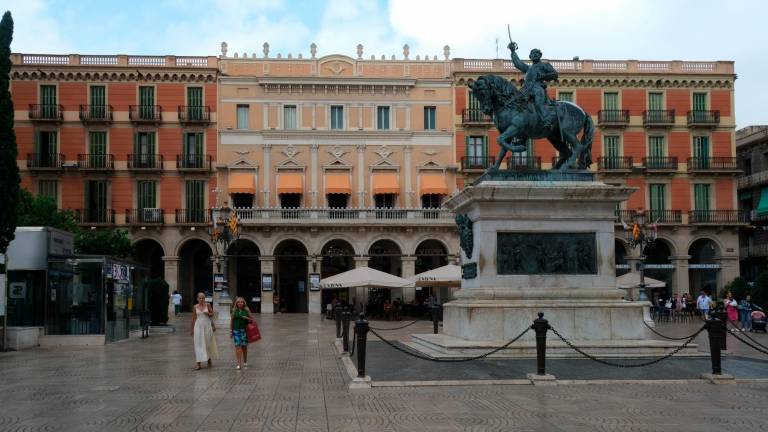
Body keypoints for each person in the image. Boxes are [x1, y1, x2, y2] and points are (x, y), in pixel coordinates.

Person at [508, 41, 558, 128]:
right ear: (530, 57)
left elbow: (555, 75)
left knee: (538, 102)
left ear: (540, 55)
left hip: (538, 88)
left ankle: (547, 119)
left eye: (537, 53)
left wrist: (543, 75)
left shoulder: (544, 65)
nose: (534, 55)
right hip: (526, 89)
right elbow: (518, 63)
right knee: (514, 101)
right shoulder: (528, 68)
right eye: (532, 54)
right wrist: (513, 52)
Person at [190, 292, 218, 370]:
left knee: (207, 344)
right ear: (197, 299)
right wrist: (192, 330)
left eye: (203, 298)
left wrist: (208, 313)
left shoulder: (208, 305)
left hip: (207, 326)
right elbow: (194, 318)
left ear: (205, 298)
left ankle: (208, 359)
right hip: (198, 327)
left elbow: (213, 314)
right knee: (198, 344)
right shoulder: (195, 307)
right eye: (200, 298)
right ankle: (198, 364)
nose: (201, 299)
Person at [230, 296, 253, 370]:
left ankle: (245, 361)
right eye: (239, 302)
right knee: (238, 346)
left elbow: (252, 320)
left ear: (244, 303)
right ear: (236, 303)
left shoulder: (246, 310)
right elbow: (231, 321)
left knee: (244, 347)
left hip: (244, 331)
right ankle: (238, 363)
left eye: (242, 302)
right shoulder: (234, 310)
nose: (240, 303)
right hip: (236, 331)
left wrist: (247, 318)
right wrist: (231, 331)